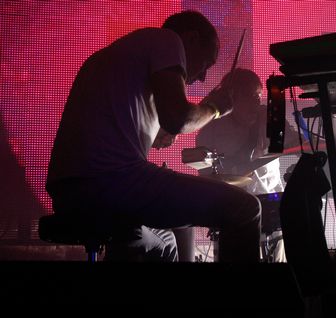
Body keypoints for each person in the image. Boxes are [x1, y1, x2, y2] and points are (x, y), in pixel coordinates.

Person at [45, 10, 261, 263]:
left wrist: (162, 129)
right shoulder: (166, 40)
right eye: (206, 63)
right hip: (111, 181)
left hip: (68, 190)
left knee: (166, 243)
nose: (202, 76)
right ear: (190, 40)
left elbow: (154, 122)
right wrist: (215, 109)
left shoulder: (118, 54)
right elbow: (178, 118)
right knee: (246, 209)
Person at [195, 68, 302, 262]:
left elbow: (296, 143)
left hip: (273, 207)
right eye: (251, 96)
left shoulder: (268, 116)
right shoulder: (211, 129)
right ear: (231, 97)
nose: (257, 102)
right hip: (233, 209)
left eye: (259, 96)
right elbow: (204, 175)